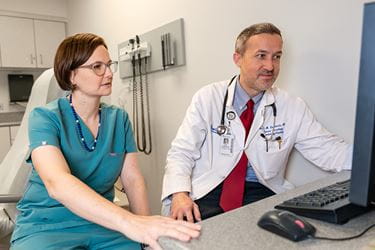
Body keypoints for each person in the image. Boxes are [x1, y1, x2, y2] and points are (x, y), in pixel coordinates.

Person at [11, 33, 200, 250]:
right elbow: (57, 183)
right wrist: (130, 222)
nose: (109, 73)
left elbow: (132, 179)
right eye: (97, 67)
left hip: (101, 222)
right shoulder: (45, 117)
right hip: (47, 225)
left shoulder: (118, 119)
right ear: (72, 75)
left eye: (110, 65)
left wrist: (146, 230)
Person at [161, 23, 352, 222]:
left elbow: (328, 150)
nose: (270, 66)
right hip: (208, 190)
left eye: (276, 57)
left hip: (262, 192)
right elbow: (181, 152)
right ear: (238, 59)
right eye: (261, 56)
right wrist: (179, 194)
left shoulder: (291, 106)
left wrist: (367, 161)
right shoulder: (208, 98)